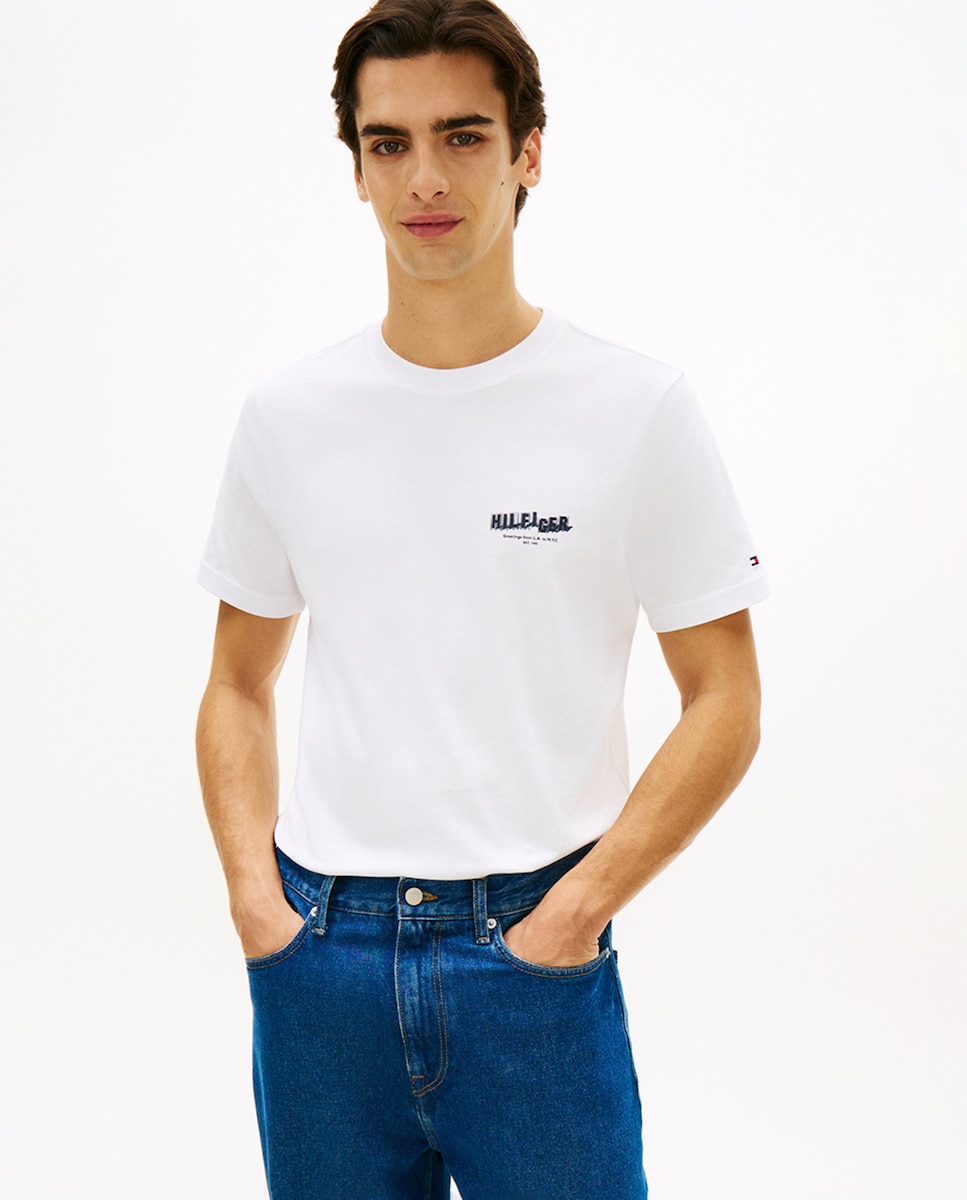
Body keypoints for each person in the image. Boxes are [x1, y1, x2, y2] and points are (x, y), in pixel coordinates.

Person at [195, 1, 769, 1196]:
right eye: (389, 142)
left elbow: (724, 698)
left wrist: (574, 913)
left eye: (462, 135)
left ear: (528, 152)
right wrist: (258, 905)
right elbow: (237, 682)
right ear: (356, 167)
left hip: (533, 957)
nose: (425, 178)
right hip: (320, 960)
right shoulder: (290, 418)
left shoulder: (633, 408)